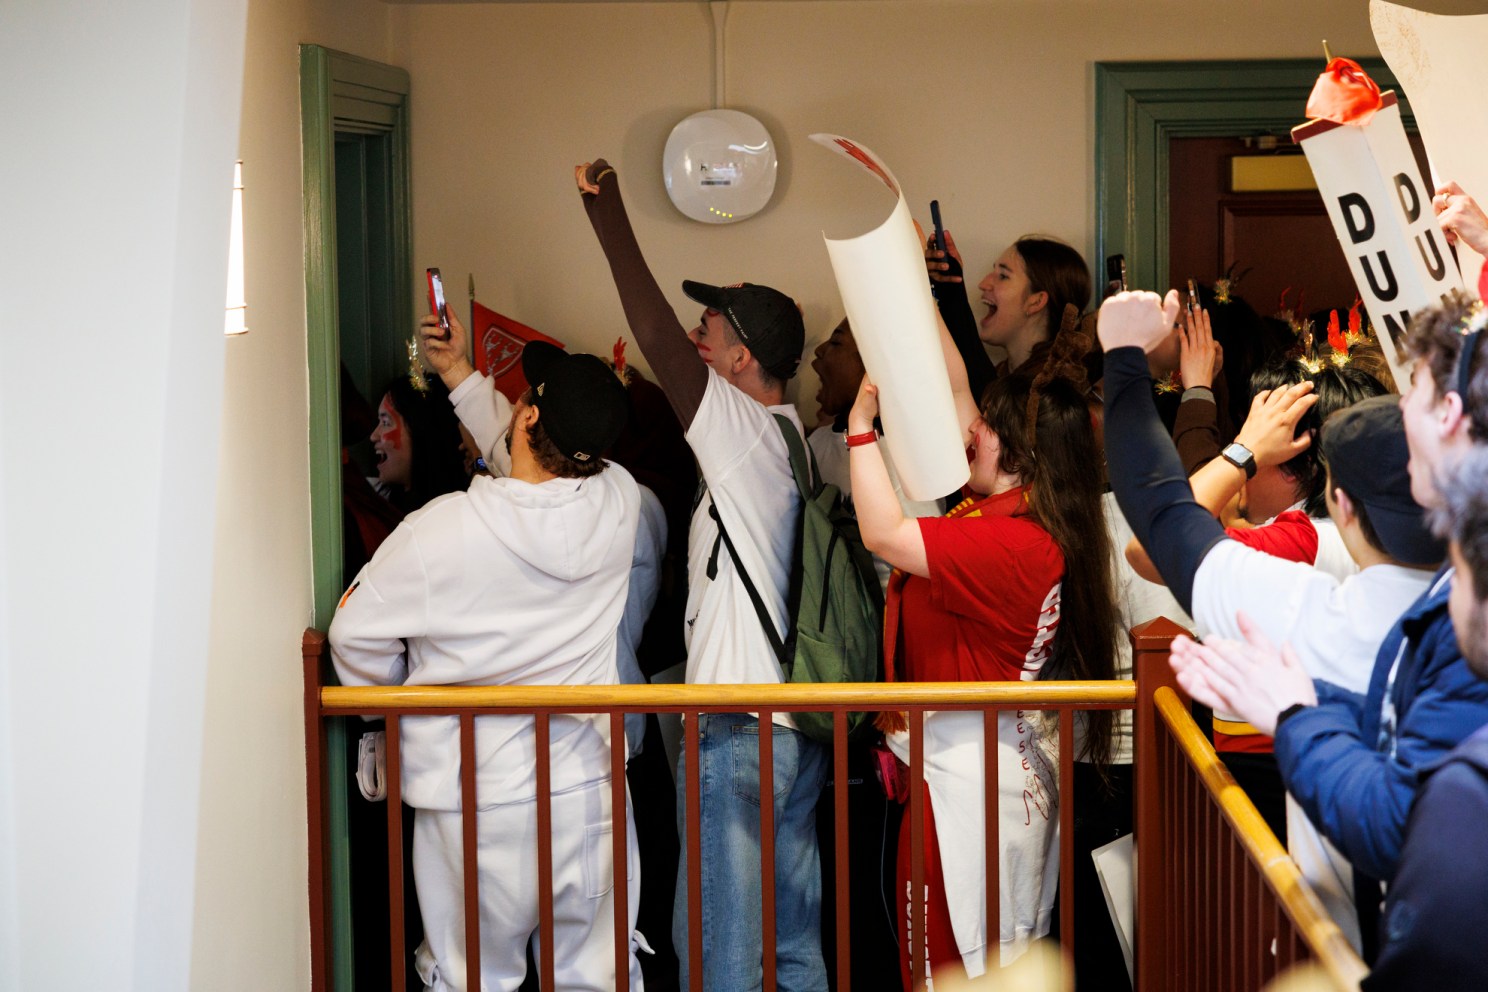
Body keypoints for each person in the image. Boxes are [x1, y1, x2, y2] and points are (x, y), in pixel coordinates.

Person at [1103, 287, 1488, 960]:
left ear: (1338, 500)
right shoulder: (1445, 591)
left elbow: (1162, 523)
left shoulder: (1314, 596)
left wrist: (1293, 712)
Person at [574, 158, 826, 992]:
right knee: (789, 953)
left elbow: (652, 336)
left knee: (720, 957)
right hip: (792, 729)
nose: (692, 340)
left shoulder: (744, 434)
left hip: (736, 730)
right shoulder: (789, 441)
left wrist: (605, 211)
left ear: (743, 359)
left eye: (709, 330)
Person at [329, 344, 644, 992]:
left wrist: (391, 709)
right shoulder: (619, 502)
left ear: (526, 419)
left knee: (472, 977)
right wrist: (458, 376)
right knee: (598, 977)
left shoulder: (440, 531)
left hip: (473, 796)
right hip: (588, 788)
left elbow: (352, 635)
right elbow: (537, 475)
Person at [851, 318, 1117, 983]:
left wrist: (860, 427)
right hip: (978, 765)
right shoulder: (1013, 510)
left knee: (960, 963)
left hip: (972, 782)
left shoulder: (1016, 541)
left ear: (1022, 453)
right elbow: (960, 385)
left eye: (989, 428)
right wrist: (914, 290)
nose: (972, 431)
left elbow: (883, 533)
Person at [927, 230, 1092, 391]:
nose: (983, 284)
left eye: (1003, 276)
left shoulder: (1052, 394)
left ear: (1036, 301)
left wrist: (953, 295)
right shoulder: (1001, 375)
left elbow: (991, 400)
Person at [371, 374, 471, 513]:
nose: (373, 436)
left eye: (386, 423)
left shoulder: (459, 511)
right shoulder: (383, 508)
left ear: (421, 429)